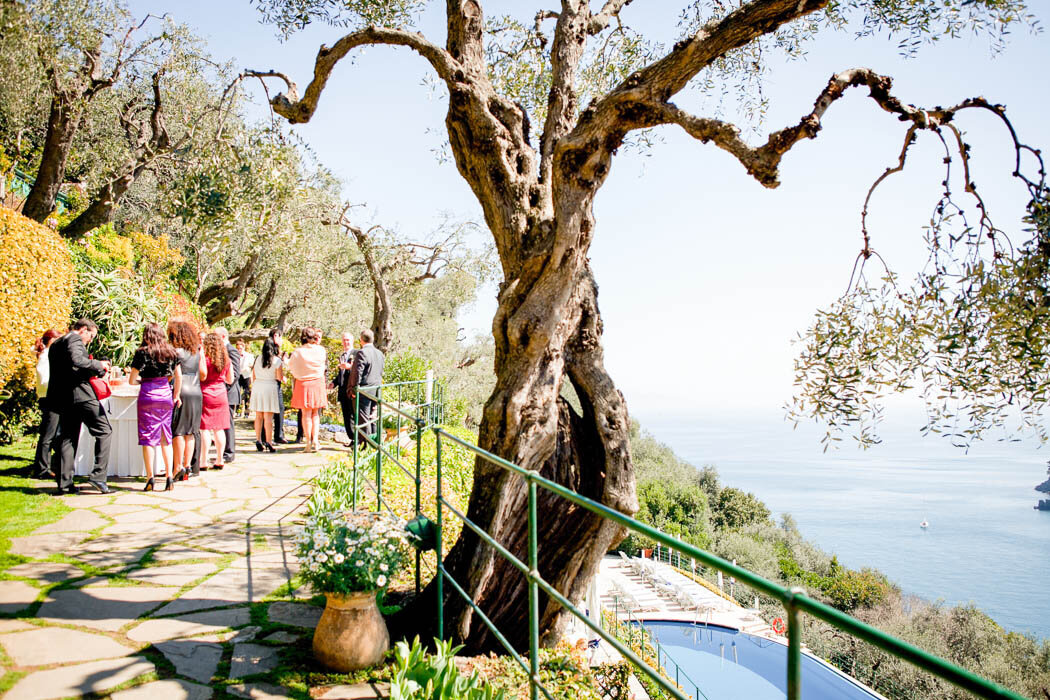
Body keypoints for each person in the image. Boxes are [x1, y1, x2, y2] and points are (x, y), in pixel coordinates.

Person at [49, 319, 112, 494]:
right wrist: (99, 365)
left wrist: (95, 368)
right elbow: (77, 360)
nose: (90, 340)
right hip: (82, 395)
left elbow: (72, 367)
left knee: (68, 437)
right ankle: (98, 477)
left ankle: (65, 483)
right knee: (105, 431)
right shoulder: (73, 339)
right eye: (91, 336)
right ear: (83, 330)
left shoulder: (56, 345)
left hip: (64, 398)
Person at [129, 323, 181, 491]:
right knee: (166, 436)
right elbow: (177, 376)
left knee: (148, 437)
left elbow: (131, 380)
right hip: (165, 394)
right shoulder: (171, 352)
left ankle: (150, 477)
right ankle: (169, 476)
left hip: (147, 393)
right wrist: (176, 395)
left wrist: (141, 381)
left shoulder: (142, 353)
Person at [168, 321, 202, 481]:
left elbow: (172, 374)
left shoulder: (175, 352)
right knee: (191, 431)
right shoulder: (197, 352)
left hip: (181, 391)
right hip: (196, 391)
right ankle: (187, 466)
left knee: (178, 431)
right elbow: (203, 373)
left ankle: (177, 467)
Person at [287, 327, 328, 452]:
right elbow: (323, 365)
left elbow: (291, 367)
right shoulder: (321, 350)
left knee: (306, 414)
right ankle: (315, 440)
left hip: (303, 383)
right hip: (317, 381)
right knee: (316, 413)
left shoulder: (298, 352)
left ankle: (309, 442)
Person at [199, 332, 233, 470]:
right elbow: (230, 379)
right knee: (219, 428)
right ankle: (220, 459)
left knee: (205, 428)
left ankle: (203, 460)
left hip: (206, 393)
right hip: (221, 394)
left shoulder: (204, 358)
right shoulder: (226, 359)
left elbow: (202, 376)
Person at [348, 328, 385, 448]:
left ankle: (366, 445)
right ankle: (375, 443)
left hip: (364, 390)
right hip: (376, 390)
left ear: (361, 340)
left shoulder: (362, 353)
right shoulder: (380, 353)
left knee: (363, 419)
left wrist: (354, 389)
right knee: (372, 417)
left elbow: (357, 373)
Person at [33, 329, 62, 479]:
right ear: (51, 340)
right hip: (49, 398)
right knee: (48, 434)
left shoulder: (48, 355)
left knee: (50, 433)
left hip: (49, 396)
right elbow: (44, 380)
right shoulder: (46, 357)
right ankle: (42, 468)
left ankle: (44, 465)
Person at [250, 335, 283, 452]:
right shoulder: (277, 360)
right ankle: (269, 441)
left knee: (258, 416)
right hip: (270, 387)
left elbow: (253, 376)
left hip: (258, 386)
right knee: (268, 418)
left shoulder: (257, 358)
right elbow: (279, 377)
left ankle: (258, 439)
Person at [214, 327, 241, 463]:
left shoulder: (231, 350)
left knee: (228, 423)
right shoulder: (219, 351)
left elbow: (235, 373)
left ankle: (229, 452)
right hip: (220, 391)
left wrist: (223, 388)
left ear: (223, 337)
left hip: (228, 392)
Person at [332, 331, 358, 444]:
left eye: (348, 340)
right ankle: (352, 438)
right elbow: (340, 374)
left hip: (351, 390)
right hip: (343, 390)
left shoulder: (357, 353)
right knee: (346, 416)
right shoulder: (342, 355)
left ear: (352, 341)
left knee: (354, 415)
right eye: (344, 340)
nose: (345, 342)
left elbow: (359, 369)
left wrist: (350, 367)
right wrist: (334, 383)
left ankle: (357, 439)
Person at [268, 328, 289, 444]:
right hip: (274, 383)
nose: (281, 340)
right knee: (278, 409)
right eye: (280, 337)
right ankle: (278, 435)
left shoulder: (268, 349)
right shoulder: (274, 352)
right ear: (276, 336)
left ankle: (269, 435)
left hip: (268, 383)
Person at [236, 338, 254, 418]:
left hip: (246, 376)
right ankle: (238, 411)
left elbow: (252, 365)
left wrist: (248, 367)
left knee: (247, 394)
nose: (239, 350)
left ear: (243, 348)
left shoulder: (249, 355)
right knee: (238, 393)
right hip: (238, 376)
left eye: (240, 348)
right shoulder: (235, 355)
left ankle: (247, 412)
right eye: (238, 348)